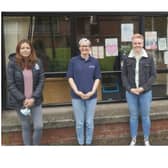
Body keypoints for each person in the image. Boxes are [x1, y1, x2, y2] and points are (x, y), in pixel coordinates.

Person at [7, 39, 44, 145]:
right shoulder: (12, 63)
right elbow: (11, 84)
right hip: (20, 102)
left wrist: (33, 98)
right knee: (26, 126)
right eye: (22, 48)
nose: (25, 50)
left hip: (35, 101)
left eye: (27, 48)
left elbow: (41, 81)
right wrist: (23, 99)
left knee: (39, 126)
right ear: (18, 50)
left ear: (31, 50)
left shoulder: (38, 62)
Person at [121, 33, 156, 146]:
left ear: (143, 43)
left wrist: (142, 88)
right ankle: (133, 139)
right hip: (131, 93)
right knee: (134, 116)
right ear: (132, 44)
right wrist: (130, 89)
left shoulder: (149, 57)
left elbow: (153, 76)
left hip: (145, 92)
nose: (137, 45)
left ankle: (146, 139)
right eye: (135, 43)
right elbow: (123, 76)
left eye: (139, 43)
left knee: (145, 116)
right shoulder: (127, 58)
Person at [67, 38, 101, 145]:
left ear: (90, 48)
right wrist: (77, 91)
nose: (84, 48)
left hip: (92, 97)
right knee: (80, 123)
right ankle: (81, 143)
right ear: (79, 48)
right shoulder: (73, 61)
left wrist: (92, 91)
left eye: (86, 46)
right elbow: (70, 77)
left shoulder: (94, 61)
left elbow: (97, 78)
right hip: (77, 97)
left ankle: (88, 142)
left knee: (89, 122)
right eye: (82, 46)